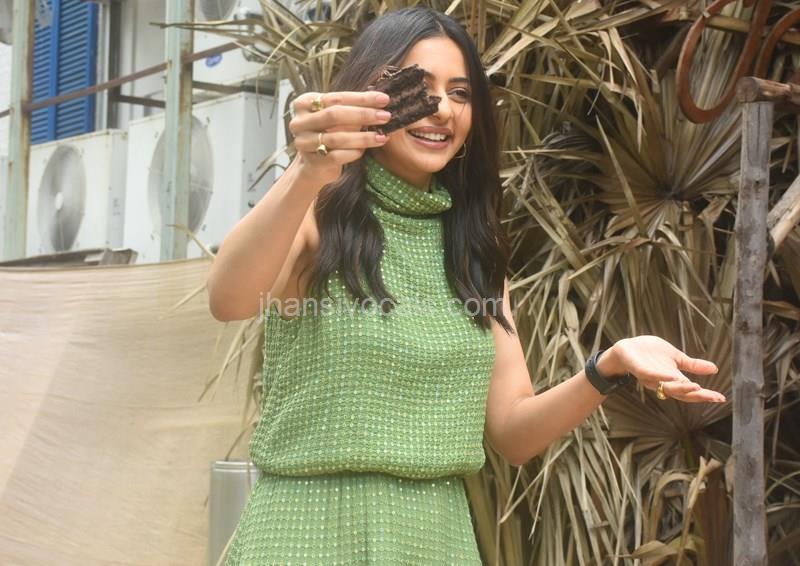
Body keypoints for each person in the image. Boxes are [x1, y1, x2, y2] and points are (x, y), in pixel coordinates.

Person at [206, 6, 727, 565]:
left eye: (460, 93)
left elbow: (514, 434)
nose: (442, 109)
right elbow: (229, 299)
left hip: (437, 540)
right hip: (308, 535)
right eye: (419, 87)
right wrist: (307, 169)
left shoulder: (472, 248)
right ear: (370, 93)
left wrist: (609, 365)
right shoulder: (316, 213)